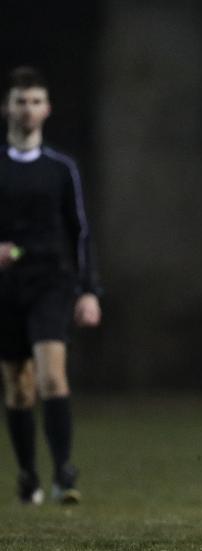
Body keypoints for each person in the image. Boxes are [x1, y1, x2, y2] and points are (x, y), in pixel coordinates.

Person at [1, 66, 101, 505]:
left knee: (51, 377)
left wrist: (89, 289)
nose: (28, 109)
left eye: (36, 102)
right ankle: (28, 474)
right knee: (18, 386)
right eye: (21, 101)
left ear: (47, 110)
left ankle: (64, 472)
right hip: (7, 288)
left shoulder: (61, 169)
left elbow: (80, 231)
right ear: (7, 108)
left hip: (51, 282)